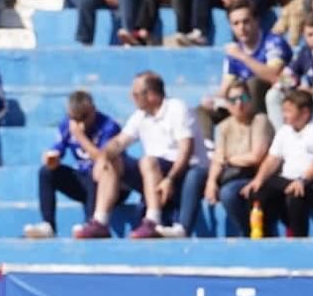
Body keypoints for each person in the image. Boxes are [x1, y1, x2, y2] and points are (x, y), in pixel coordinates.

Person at [78, 70, 207, 240]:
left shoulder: (177, 108)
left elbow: (186, 150)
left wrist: (170, 178)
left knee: (147, 161)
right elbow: (119, 142)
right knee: (113, 161)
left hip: (180, 171)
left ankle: (153, 219)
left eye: (135, 94)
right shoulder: (140, 116)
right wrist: (103, 157)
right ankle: (100, 221)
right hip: (152, 172)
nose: (132, 98)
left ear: (151, 95)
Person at [25, 89, 122, 239]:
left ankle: (93, 223)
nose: (78, 123)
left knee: (96, 171)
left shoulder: (109, 126)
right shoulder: (67, 125)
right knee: (46, 172)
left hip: (111, 185)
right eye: (73, 118)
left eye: (83, 117)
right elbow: (57, 149)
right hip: (83, 180)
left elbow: (103, 159)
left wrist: (80, 137)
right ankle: (48, 224)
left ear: (93, 110)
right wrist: (52, 159)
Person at [243, 90, 313, 238]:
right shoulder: (284, 131)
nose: (284, 115)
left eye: (288, 111)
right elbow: (272, 159)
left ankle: (298, 240)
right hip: (289, 179)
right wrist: (258, 179)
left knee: (296, 195)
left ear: (305, 112)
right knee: (258, 191)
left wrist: (303, 179)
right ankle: (263, 238)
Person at [205, 84, 273, 237]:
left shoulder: (259, 120)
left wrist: (229, 159)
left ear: (250, 99)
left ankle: (248, 233)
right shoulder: (223, 127)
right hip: (232, 175)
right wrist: (211, 182)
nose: (239, 104)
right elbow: (218, 159)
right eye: (233, 100)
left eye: (243, 98)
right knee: (198, 180)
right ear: (227, 104)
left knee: (228, 193)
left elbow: (256, 157)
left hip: (255, 176)